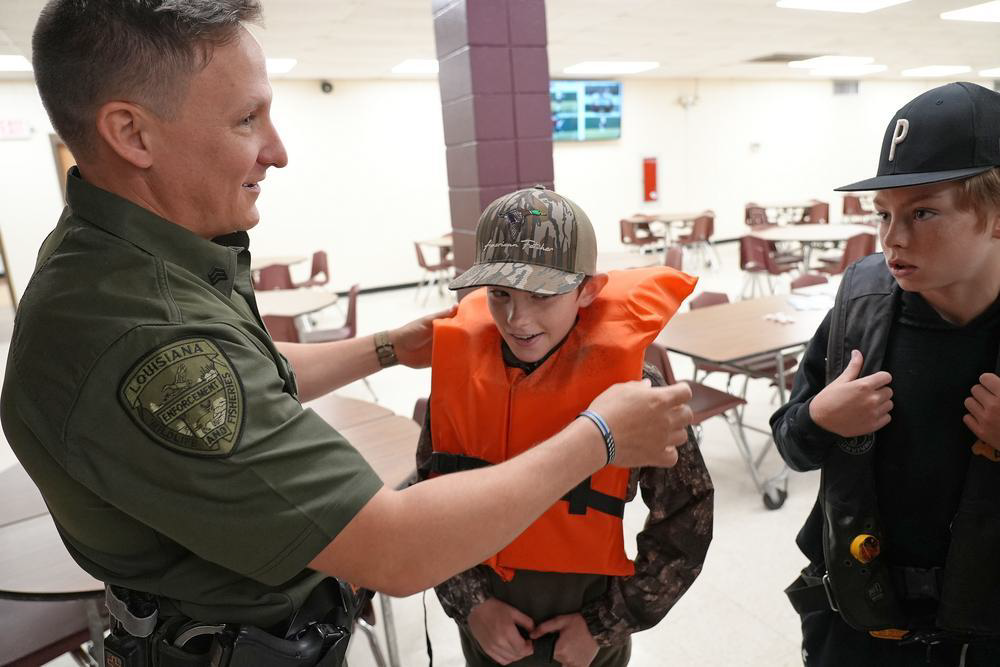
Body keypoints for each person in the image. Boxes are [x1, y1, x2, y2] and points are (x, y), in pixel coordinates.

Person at [2, 2, 694, 665]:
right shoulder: (142, 332)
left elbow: (247, 369)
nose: (278, 151)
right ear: (131, 133)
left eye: (543, 293)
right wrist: (600, 438)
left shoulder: (124, 260)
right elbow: (397, 545)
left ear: (587, 290)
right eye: (247, 119)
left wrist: (386, 347)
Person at [415, 186, 714, 667]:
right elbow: (428, 502)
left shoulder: (633, 390)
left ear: (588, 290)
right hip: (488, 631)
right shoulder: (457, 380)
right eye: (499, 294)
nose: (517, 318)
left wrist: (604, 624)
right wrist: (472, 606)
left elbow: (688, 511)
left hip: (587, 632)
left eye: (542, 294)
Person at [771, 81, 1000, 666]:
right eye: (883, 214)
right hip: (859, 625)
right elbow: (792, 443)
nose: (893, 238)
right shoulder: (862, 309)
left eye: (923, 212)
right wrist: (819, 418)